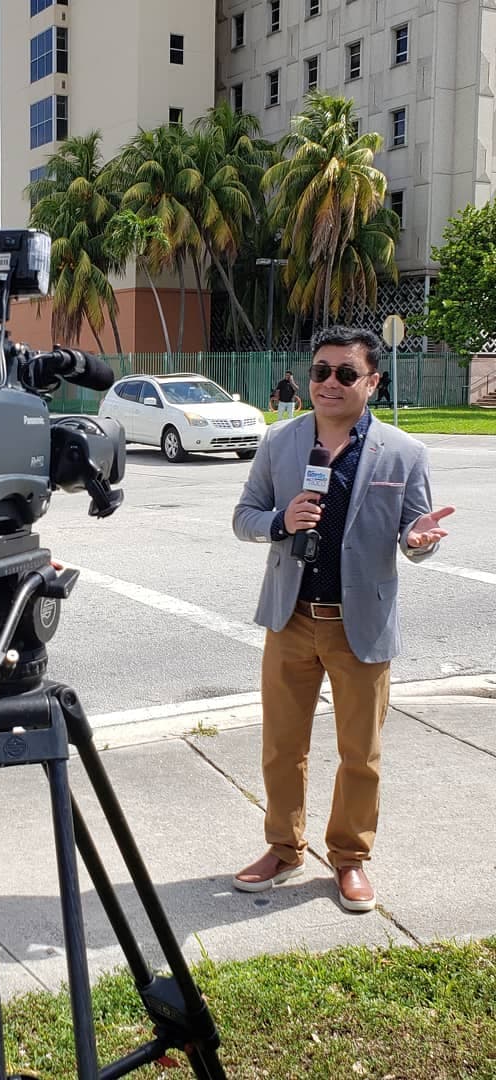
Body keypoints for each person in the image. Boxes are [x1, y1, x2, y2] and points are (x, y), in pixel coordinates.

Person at [231, 326, 453, 913]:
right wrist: (281, 521)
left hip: (361, 625)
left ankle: (350, 859)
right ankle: (283, 848)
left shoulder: (405, 452)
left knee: (361, 751)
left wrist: (420, 538)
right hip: (291, 617)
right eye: (321, 372)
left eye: (346, 374)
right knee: (282, 747)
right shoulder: (280, 442)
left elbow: (415, 532)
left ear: (373, 383)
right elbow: (244, 516)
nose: (331, 383)